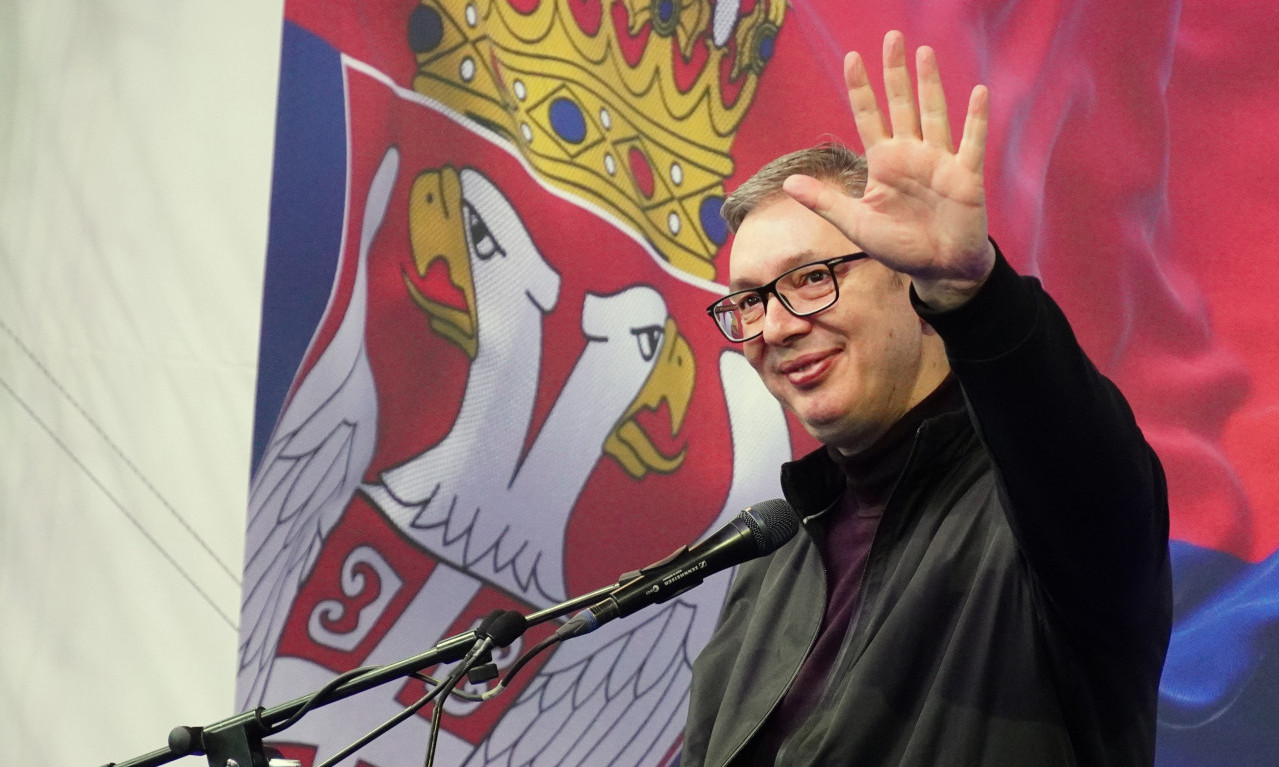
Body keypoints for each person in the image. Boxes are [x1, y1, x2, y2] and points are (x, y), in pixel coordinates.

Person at [683, 31, 1171, 766]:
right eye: (748, 301)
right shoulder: (773, 553)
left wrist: (970, 291)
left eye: (811, 278)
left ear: (906, 274)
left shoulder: (1043, 516)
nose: (775, 327)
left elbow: (1075, 456)